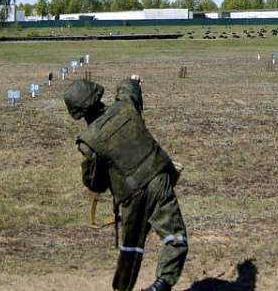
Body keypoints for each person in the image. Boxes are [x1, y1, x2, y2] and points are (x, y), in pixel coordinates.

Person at [63, 74, 188, 291]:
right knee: (175, 239)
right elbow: (128, 88)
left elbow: (96, 184)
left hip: (132, 195)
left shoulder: (89, 141)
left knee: (131, 249)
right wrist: (132, 81)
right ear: (96, 93)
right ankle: (162, 285)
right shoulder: (125, 106)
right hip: (158, 179)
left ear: (77, 112)